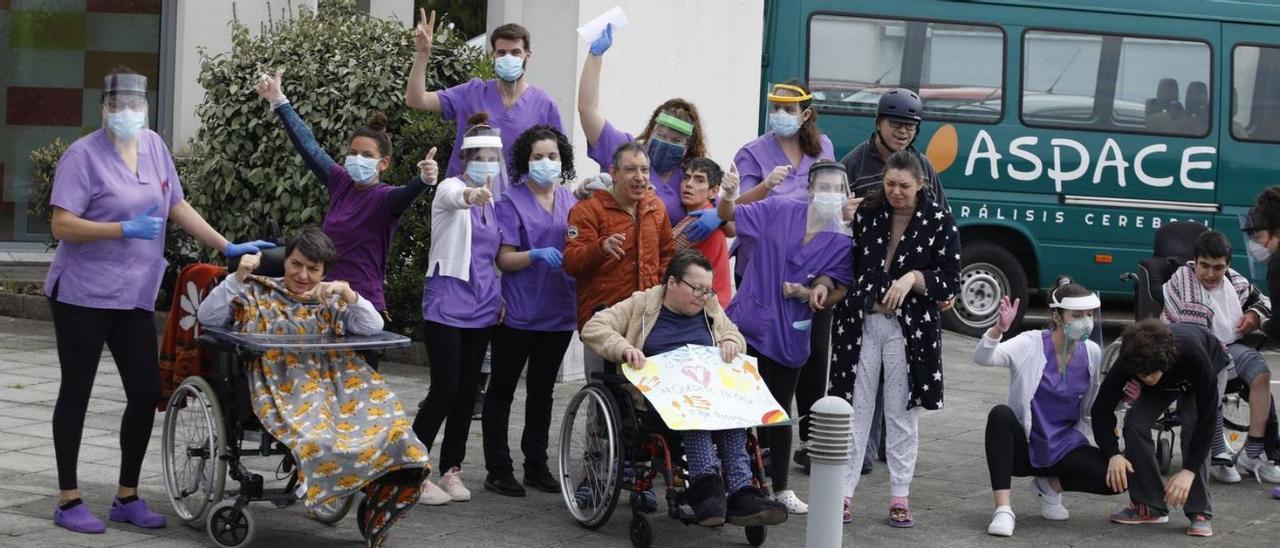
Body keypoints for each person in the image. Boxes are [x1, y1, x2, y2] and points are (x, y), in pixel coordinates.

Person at [44, 68, 274, 534]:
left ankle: (126, 497)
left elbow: (176, 205)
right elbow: (62, 226)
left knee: (147, 392)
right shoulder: (81, 156)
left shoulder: (153, 146)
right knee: (77, 390)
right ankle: (68, 501)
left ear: (145, 108)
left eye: (134, 105)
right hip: (82, 295)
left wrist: (225, 246)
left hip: (132, 294)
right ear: (103, 108)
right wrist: (122, 229)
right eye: (117, 105)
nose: (126, 113)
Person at [196, 227, 429, 547]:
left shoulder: (330, 297)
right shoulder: (256, 291)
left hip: (340, 378)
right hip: (283, 381)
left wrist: (349, 295)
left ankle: (378, 496)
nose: (303, 274)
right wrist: (236, 279)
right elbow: (207, 317)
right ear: (286, 260)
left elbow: (373, 326)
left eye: (313, 269)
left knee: (397, 431)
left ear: (324, 271)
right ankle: (328, 479)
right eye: (296, 264)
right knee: (318, 434)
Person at [579, 249, 788, 527]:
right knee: (697, 413)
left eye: (708, 290)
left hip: (706, 392)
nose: (704, 296)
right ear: (673, 283)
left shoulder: (709, 308)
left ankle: (741, 492)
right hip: (657, 398)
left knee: (733, 415)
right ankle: (706, 489)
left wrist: (731, 342)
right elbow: (594, 327)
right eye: (697, 289)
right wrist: (624, 348)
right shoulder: (642, 304)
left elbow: (734, 333)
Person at [716, 160, 857, 514]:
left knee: (777, 412)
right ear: (809, 190)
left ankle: (779, 488)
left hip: (790, 332)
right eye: (822, 187)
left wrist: (814, 290)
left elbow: (838, 284)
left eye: (836, 189)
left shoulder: (841, 239)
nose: (829, 194)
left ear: (846, 195)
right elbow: (728, 216)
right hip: (747, 325)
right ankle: (731, 479)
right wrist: (729, 193)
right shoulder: (779, 209)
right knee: (736, 408)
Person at [829, 150, 961, 527]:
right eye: (889, 184)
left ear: (921, 184)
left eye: (904, 186)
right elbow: (846, 263)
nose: (896, 192)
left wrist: (913, 279)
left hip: (910, 331)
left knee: (902, 416)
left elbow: (950, 280)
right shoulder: (868, 213)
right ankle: (842, 494)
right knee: (854, 410)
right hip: (862, 322)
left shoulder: (940, 221)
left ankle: (900, 497)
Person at [256, 70, 433, 322]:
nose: (358, 159)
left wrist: (424, 181)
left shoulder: (385, 198)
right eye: (353, 152)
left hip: (362, 308)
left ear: (383, 163)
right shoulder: (341, 182)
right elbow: (310, 147)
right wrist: (279, 101)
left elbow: (406, 195)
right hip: (325, 303)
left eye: (367, 156)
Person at [728, 81, 839, 473]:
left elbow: (830, 198)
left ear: (806, 114)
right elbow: (733, 212)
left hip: (813, 272)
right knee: (763, 361)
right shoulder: (752, 153)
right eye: (775, 106)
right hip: (764, 275)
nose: (780, 115)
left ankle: (810, 442)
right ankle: (760, 444)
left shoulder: (822, 147)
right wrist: (765, 187)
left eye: (789, 109)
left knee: (812, 357)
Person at [975, 280, 1123, 537]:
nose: (1086, 321)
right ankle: (1003, 509)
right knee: (1000, 415)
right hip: (1026, 446)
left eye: (1089, 315)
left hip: (1064, 447)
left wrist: (1123, 399)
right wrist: (998, 329)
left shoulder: (1092, 351)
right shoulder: (1029, 343)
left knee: (1117, 479)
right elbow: (983, 358)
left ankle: (1050, 486)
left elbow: (1094, 403)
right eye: (1077, 315)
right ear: (1057, 316)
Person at [412, 114, 505, 505]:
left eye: (492, 157)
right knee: (444, 390)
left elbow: (491, 256)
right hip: (446, 303)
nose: (486, 164)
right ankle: (412, 469)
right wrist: (471, 196)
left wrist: (498, 294)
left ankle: (451, 468)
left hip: (483, 305)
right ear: (465, 159)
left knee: (468, 392)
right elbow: (454, 199)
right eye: (478, 157)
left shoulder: (496, 203)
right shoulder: (451, 188)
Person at [482, 125, 578, 497]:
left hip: (558, 312)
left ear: (562, 160)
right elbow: (504, 259)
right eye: (538, 157)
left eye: (552, 156)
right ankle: (498, 468)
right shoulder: (511, 202)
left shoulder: (572, 202)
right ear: (525, 161)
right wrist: (534, 254)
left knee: (542, 392)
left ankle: (535, 465)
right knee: (502, 389)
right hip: (518, 312)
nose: (545, 162)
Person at [577, 24, 718, 240]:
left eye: (676, 140)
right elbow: (587, 111)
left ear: (687, 145)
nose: (666, 142)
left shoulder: (689, 176)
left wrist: (719, 214)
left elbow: (727, 213)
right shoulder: (625, 150)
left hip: (665, 266)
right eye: (661, 134)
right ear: (651, 130)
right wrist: (596, 55)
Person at [1161, 230, 1280, 484]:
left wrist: (1254, 315)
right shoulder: (1184, 282)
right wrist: (1225, 359)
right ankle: (1217, 453)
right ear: (1194, 261)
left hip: (1227, 345)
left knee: (1261, 373)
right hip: (1189, 349)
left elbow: (1263, 300)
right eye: (1204, 266)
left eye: (1218, 267)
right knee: (1214, 373)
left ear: (1227, 265)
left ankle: (1252, 453)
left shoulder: (1233, 280)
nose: (1211, 274)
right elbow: (1199, 339)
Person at [1092, 320, 1226, 537]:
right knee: (1135, 424)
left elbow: (1207, 421)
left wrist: (1188, 471)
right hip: (1165, 377)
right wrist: (1113, 454)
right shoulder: (1129, 361)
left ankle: (1199, 511)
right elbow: (1101, 410)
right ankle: (1150, 505)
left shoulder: (1194, 355)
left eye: (1150, 374)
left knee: (1192, 425)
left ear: (1163, 363)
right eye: (1141, 376)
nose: (1146, 379)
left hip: (1206, 368)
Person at [405, 10, 562, 187]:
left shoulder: (544, 104)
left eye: (515, 52)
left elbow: (555, 161)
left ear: (528, 55)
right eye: (501, 52)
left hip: (515, 206)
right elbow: (416, 99)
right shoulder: (472, 92)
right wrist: (422, 54)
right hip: (465, 201)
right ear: (493, 56)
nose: (508, 58)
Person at [563, 142, 675, 375]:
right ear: (613, 172)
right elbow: (571, 262)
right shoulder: (588, 210)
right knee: (603, 393)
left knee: (644, 392)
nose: (640, 177)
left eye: (644, 170)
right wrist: (599, 248)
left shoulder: (655, 207)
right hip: (605, 319)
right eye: (630, 170)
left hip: (647, 317)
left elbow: (667, 254)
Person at [839, 88, 947, 208]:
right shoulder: (852, 165)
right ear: (878, 124)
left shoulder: (924, 166)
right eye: (895, 123)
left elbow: (943, 215)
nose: (903, 131)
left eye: (910, 126)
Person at [671, 158, 733, 309]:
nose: (689, 184)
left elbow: (665, 257)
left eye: (699, 180)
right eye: (686, 178)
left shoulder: (700, 223)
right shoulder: (710, 218)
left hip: (705, 309)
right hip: (708, 304)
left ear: (713, 192)